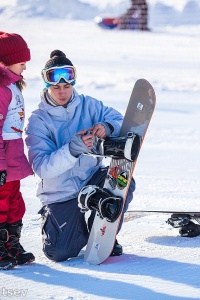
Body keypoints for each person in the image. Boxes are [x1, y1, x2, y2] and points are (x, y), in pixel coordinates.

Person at [25, 50, 135, 262]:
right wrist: (72, 149)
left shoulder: (89, 105)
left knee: (123, 179)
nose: (62, 92)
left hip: (91, 180)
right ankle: (67, 227)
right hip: (60, 192)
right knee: (60, 252)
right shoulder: (38, 121)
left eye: (67, 86)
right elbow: (42, 167)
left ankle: (104, 233)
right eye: (56, 87)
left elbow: (119, 119)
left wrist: (108, 126)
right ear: (47, 86)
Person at [0, 31, 35, 270]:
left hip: (12, 156)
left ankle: (12, 243)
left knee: (14, 201)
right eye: (21, 60)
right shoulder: (1, 89)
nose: (25, 65)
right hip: (3, 159)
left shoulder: (12, 85)